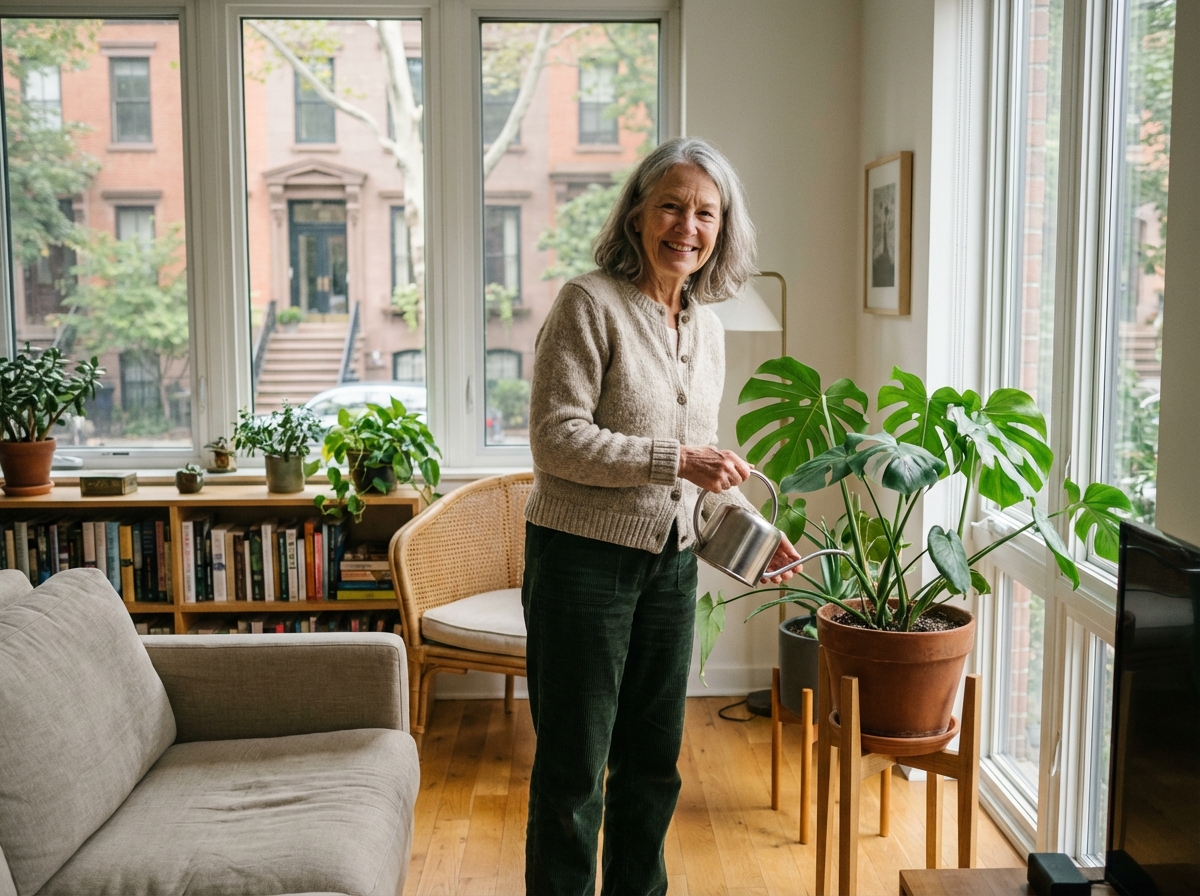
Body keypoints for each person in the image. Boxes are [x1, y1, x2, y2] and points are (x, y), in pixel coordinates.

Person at [522, 136, 801, 896]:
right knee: (575, 769)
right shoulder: (589, 303)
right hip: (580, 565)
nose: (688, 225)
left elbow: (701, 458)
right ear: (639, 212)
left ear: (723, 227)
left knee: (652, 762)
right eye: (673, 205)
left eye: (705, 212)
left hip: (671, 569)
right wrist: (677, 460)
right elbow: (557, 440)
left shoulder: (707, 326)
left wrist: (755, 532)